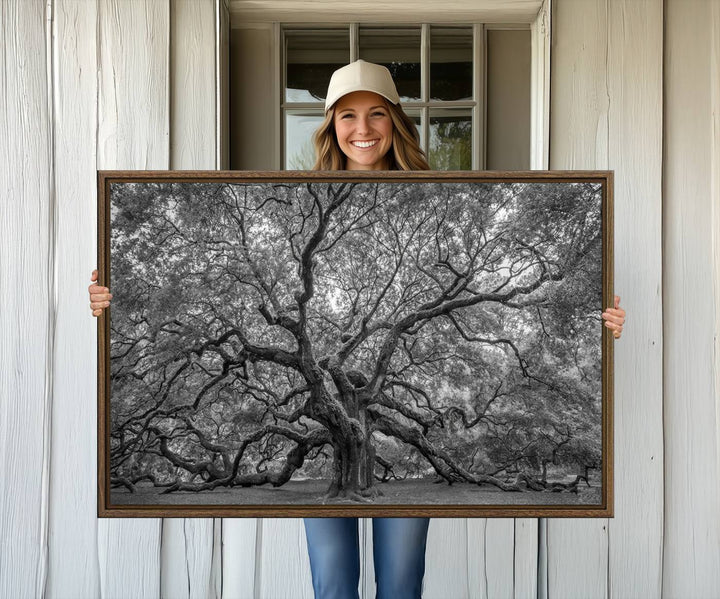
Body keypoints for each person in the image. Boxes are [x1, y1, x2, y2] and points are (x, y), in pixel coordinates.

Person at [88, 60, 626, 599]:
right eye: (348, 115)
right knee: (333, 585)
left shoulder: (442, 196)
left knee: (400, 584)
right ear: (330, 126)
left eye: (376, 115)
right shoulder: (294, 201)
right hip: (325, 454)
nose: (363, 129)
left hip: (398, 456)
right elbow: (256, 302)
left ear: (395, 122)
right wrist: (115, 300)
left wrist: (597, 324)